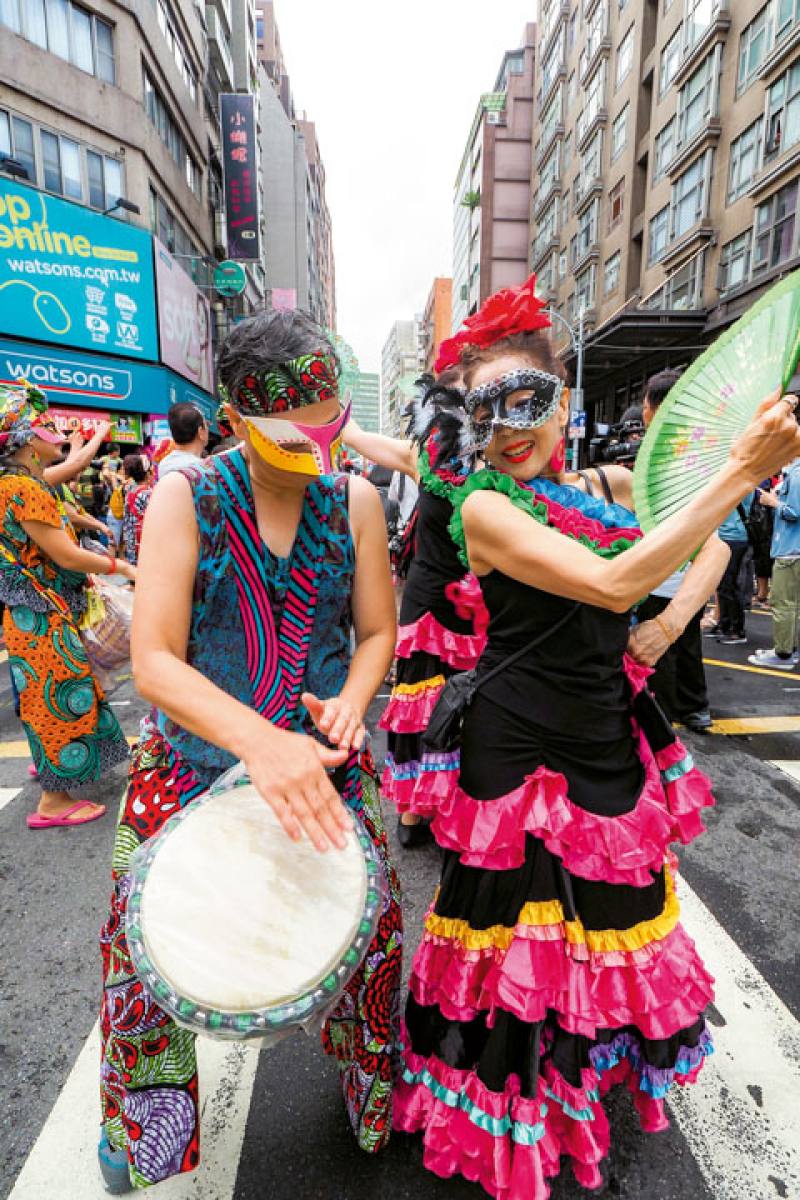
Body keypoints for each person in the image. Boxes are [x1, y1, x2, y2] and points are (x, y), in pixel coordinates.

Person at [392, 283, 800, 1196]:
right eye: (484, 410)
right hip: (518, 745)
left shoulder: (615, 486)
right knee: (511, 942)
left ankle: (587, 1081)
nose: (508, 429)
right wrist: (739, 471)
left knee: (615, 924)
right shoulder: (486, 511)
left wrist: (669, 627)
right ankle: (510, 1123)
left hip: (605, 732)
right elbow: (614, 584)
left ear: (565, 399)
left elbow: (716, 550)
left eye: (528, 401)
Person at [98, 310, 402, 1192]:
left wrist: (349, 701)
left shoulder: (356, 500)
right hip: (191, 770)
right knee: (138, 961)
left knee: (373, 948)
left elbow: (377, 631)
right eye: (288, 433)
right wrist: (261, 742)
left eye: (329, 423)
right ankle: (145, 1132)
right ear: (233, 416)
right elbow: (153, 659)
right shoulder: (184, 497)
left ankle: (371, 1096)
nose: (314, 448)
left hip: (326, 772)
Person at [343, 376, 487, 849]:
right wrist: (329, 398)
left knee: (471, 700)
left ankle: (453, 799)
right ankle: (413, 807)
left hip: (481, 601)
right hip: (432, 601)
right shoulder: (427, 458)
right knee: (420, 696)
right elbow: (355, 435)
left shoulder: (501, 463)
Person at [0, 381, 134, 828]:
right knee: (59, 696)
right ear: (25, 440)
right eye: (45, 429)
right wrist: (121, 567)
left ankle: (50, 768)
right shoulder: (25, 488)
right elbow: (67, 555)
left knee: (46, 697)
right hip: (43, 611)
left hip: (26, 612)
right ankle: (53, 802)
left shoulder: (12, 484)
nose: (52, 435)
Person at [633, 369, 724, 731]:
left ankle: (663, 719)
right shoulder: (700, 449)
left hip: (663, 565)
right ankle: (695, 706)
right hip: (694, 564)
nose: (642, 412)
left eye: (644, 404)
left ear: (657, 407)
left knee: (661, 645)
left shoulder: (657, 455)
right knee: (687, 639)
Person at [748, 456, 800, 669]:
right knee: (790, 605)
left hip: (790, 550)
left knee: (782, 603)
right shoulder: (792, 474)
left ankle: (784, 654)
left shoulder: (795, 476)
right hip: (791, 549)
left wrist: (773, 502)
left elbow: (794, 513)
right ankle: (788, 649)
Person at [709, 490, 757, 644]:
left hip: (734, 537)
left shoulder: (743, 482)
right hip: (728, 536)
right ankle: (725, 624)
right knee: (723, 585)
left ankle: (736, 629)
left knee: (730, 584)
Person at [157, 402, 209, 476]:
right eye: (206, 424)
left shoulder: (164, 465)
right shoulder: (202, 468)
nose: (208, 429)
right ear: (200, 432)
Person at [120, 454, 154, 565]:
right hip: (144, 542)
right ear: (148, 473)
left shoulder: (130, 489)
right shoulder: (148, 494)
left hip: (131, 541)